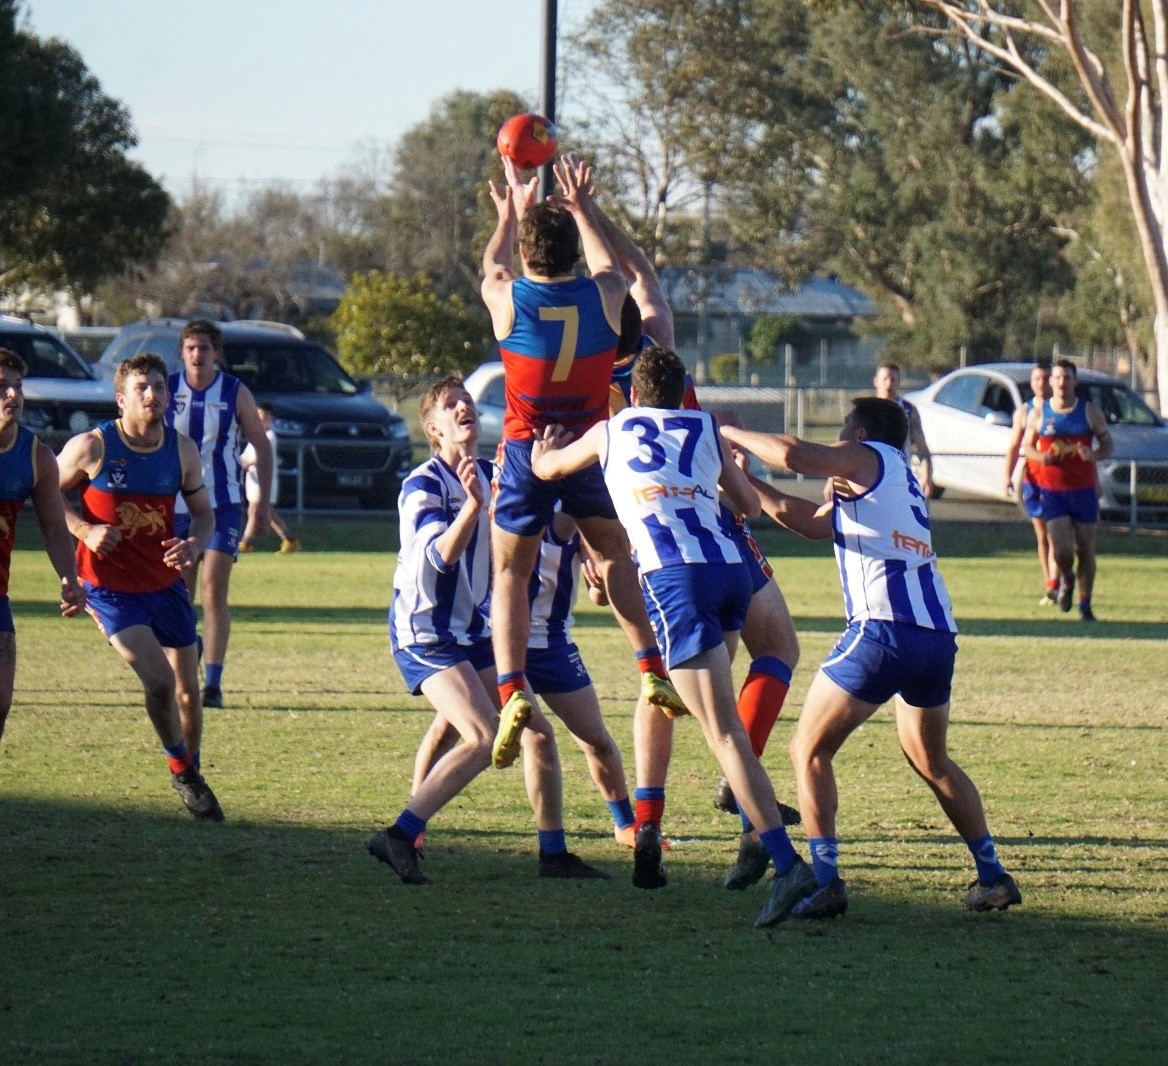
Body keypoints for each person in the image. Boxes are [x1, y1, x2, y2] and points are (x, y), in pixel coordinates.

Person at [532, 345, 813, 928]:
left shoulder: (611, 432)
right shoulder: (705, 425)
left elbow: (549, 471)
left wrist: (542, 453)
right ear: (682, 387)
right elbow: (748, 507)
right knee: (717, 720)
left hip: (676, 579)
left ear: (633, 393)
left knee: (718, 730)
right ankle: (737, 832)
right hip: (730, 572)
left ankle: (788, 866)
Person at [721, 397, 1022, 919]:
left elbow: (794, 453)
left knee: (807, 751)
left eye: (844, 429)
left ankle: (826, 880)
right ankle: (993, 874)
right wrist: (746, 487)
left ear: (859, 434)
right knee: (931, 758)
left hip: (884, 632)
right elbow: (813, 523)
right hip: (935, 637)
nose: (840, 437)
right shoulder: (896, 479)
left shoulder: (869, 457)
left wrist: (725, 432)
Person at [481, 153, 686, 773]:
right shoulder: (604, 298)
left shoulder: (508, 299)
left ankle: (513, 688)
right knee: (616, 554)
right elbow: (612, 266)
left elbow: (494, 265)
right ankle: (650, 668)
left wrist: (506, 215)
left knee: (511, 575)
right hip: (589, 445)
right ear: (572, 250)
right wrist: (580, 205)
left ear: (526, 253)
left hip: (526, 448)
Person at [369, 375, 608, 885]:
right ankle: (400, 832)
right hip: (424, 632)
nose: (464, 410)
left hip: (470, 631)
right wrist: (475, 507)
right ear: (432, 428)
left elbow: (548, 518)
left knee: (537, 734)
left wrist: (554, 476)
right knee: (481, 738)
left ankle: (553, 854)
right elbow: (438, 558)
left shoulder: (493, 473)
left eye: (468, 403)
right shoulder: (422, 486)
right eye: (451, 406)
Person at [56, 352, 223, 821]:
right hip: (108, 588)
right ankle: (181, 769)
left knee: (189, 691)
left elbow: (205, 515)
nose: (153, 395)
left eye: (159, 387)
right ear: (120, 399)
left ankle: (192, 773)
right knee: (159, 680)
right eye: (142, 388)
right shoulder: (93, 447)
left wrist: (194, 543)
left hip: (165, 583)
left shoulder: (182, 450)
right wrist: (84, 530)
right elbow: (46, 492)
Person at [167, 319, 273, 708]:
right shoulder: (166, 389)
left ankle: (212, 682)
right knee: (181, 591)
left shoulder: (234, 392)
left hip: (223, 503)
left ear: (217, 354)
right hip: (173, 505)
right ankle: (186, 660)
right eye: (191, 348)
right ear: (182, 352)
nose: (198, 355)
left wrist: (261, 503)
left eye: (205, 349)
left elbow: (262, 446)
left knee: (214, 588)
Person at [0, 348, 86, 741]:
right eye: (2, 388)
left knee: (1, 699)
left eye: (17, 387)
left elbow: (54, 528)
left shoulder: (36, 456)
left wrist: (69, 577)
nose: (13, 396)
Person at [1021, 359, 1112, 621]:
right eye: (1058, 378)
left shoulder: (1089, 411)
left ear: (1075, 382)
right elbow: (1026, 447)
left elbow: (1108, 445)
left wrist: (1093, 454)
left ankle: (1085, 604)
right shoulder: (1039, 413)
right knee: (1061, 550)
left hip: (1083, 491)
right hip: (1053, 491)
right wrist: (1041, 457)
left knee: (1085, 548)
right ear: (1051, 381)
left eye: (1067, 378)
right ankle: (1067, 579)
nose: (1062, 383)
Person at [1003, 362, 1058, 604]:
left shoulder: (1061, 408)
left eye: (1047, 378)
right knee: (1042, 535)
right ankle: (1050, 585)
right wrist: (1007, 475)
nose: (1042, 383)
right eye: (1037, 378)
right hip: (1033, 478)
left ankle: (1057, 582)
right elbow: (1015, 445)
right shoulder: (1024, 411)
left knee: (1058, 534)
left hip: (1058, 480)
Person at [238, 405, 300, 554]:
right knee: (268, 513)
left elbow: (258, 457)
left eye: (264, 418)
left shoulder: (270, 437)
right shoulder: (255, 436)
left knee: (254, 511)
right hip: (253, 481)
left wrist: (245, 464)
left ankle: (245, 542)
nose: (260, 421)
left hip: (264, 481)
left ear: (270, 419)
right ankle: (289, 540)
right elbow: (246, 456)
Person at [874, 362, 933, 498]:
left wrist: (926, 477)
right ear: (876, 382)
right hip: (871, 478)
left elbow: (922, 449)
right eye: (885, 379)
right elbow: (847, 444)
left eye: (893, 379)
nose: (889, 384)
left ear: (899, 382)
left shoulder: (908, 411)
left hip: (899, 479)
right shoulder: (865, 411)